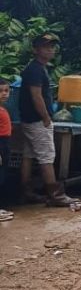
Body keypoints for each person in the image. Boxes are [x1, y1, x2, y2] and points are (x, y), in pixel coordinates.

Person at [19, 34, 79, 208]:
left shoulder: (36, 68)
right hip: (37, 120)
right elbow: (36, 96)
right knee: (47, 156)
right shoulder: (36, 70)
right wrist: (46, 117)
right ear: (36, 49)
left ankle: (26, 192)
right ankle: (55, 195)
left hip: (28, 119)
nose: (50, 50)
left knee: (29, 155)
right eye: (46, 47)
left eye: (52, 47)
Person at [0, 78, 13, 221]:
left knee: (2, 176)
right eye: (0, 91)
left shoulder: (3, 109)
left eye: (6, 91)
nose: (4, 94)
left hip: (5, 144)